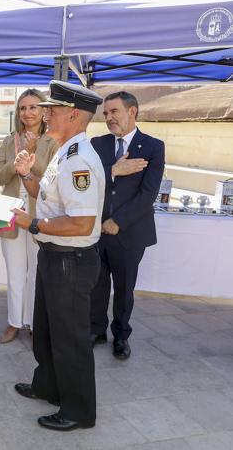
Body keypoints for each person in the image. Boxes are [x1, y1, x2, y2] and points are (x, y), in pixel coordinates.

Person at [10, 80, 104, 431]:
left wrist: (32, 223)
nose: (45, 114)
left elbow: (81, 223)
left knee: (70, 338)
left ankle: (78, 410)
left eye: (52, 109)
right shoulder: (63, 151)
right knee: (48, 331)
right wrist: (26, 174)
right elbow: (47, 196)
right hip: (54, 257)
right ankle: (48, 386)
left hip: (71, 261)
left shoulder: (80, 160)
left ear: (74, 114)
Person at [90, 91, 165, 360]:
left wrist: (117, 221)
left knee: (124, 289)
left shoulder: (154, 146)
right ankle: (96, 329)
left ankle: (121, 336)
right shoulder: (97, 144)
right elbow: (89, 183)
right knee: (96, 285)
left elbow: (148, 194)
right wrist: (113, 170)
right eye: (106, 113)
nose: (108, 117)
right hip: (97, 232)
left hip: (130, 233)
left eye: (114, 112)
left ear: (132, 111)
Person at [0, 89, 59, 343]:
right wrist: (15, 163)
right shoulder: (9, 140)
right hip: (9, 215)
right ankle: (13, 322)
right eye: (23, 108)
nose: (27, 112)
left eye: (33, 107)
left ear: (43, 111)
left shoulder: (52, 142)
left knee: (35, 273)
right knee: (15, 273)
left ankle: (32, 322)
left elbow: (52, 180)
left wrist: (33, 153)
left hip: (39, 216)